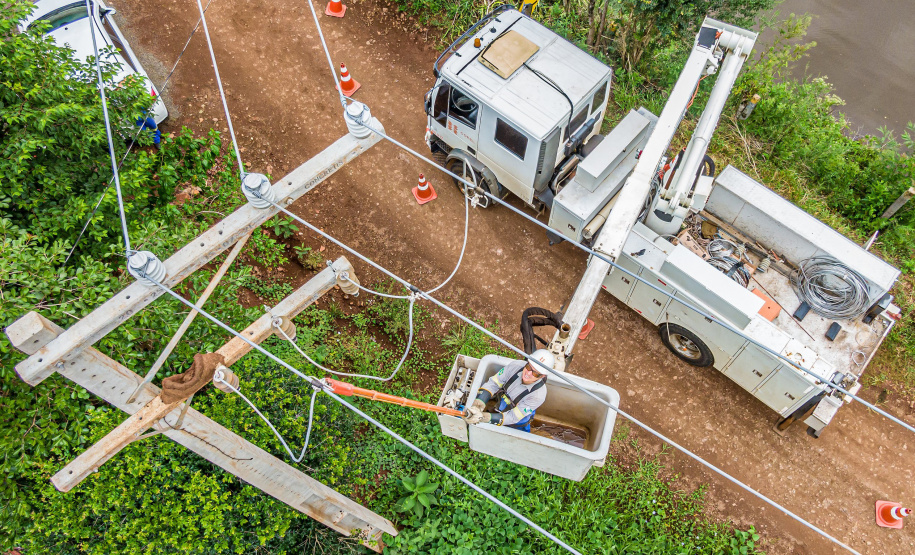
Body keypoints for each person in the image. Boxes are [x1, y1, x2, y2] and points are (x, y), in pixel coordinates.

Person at [462, 349, 554, 432]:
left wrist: (484, 417)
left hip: (518, 420)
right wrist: (478, 403)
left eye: (535, 373)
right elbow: (493, 383)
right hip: (504, 402)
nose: (528, 373)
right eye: (529, 367)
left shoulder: (538, 396)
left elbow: (513, 417)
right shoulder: (515, 366)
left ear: (542, 376)